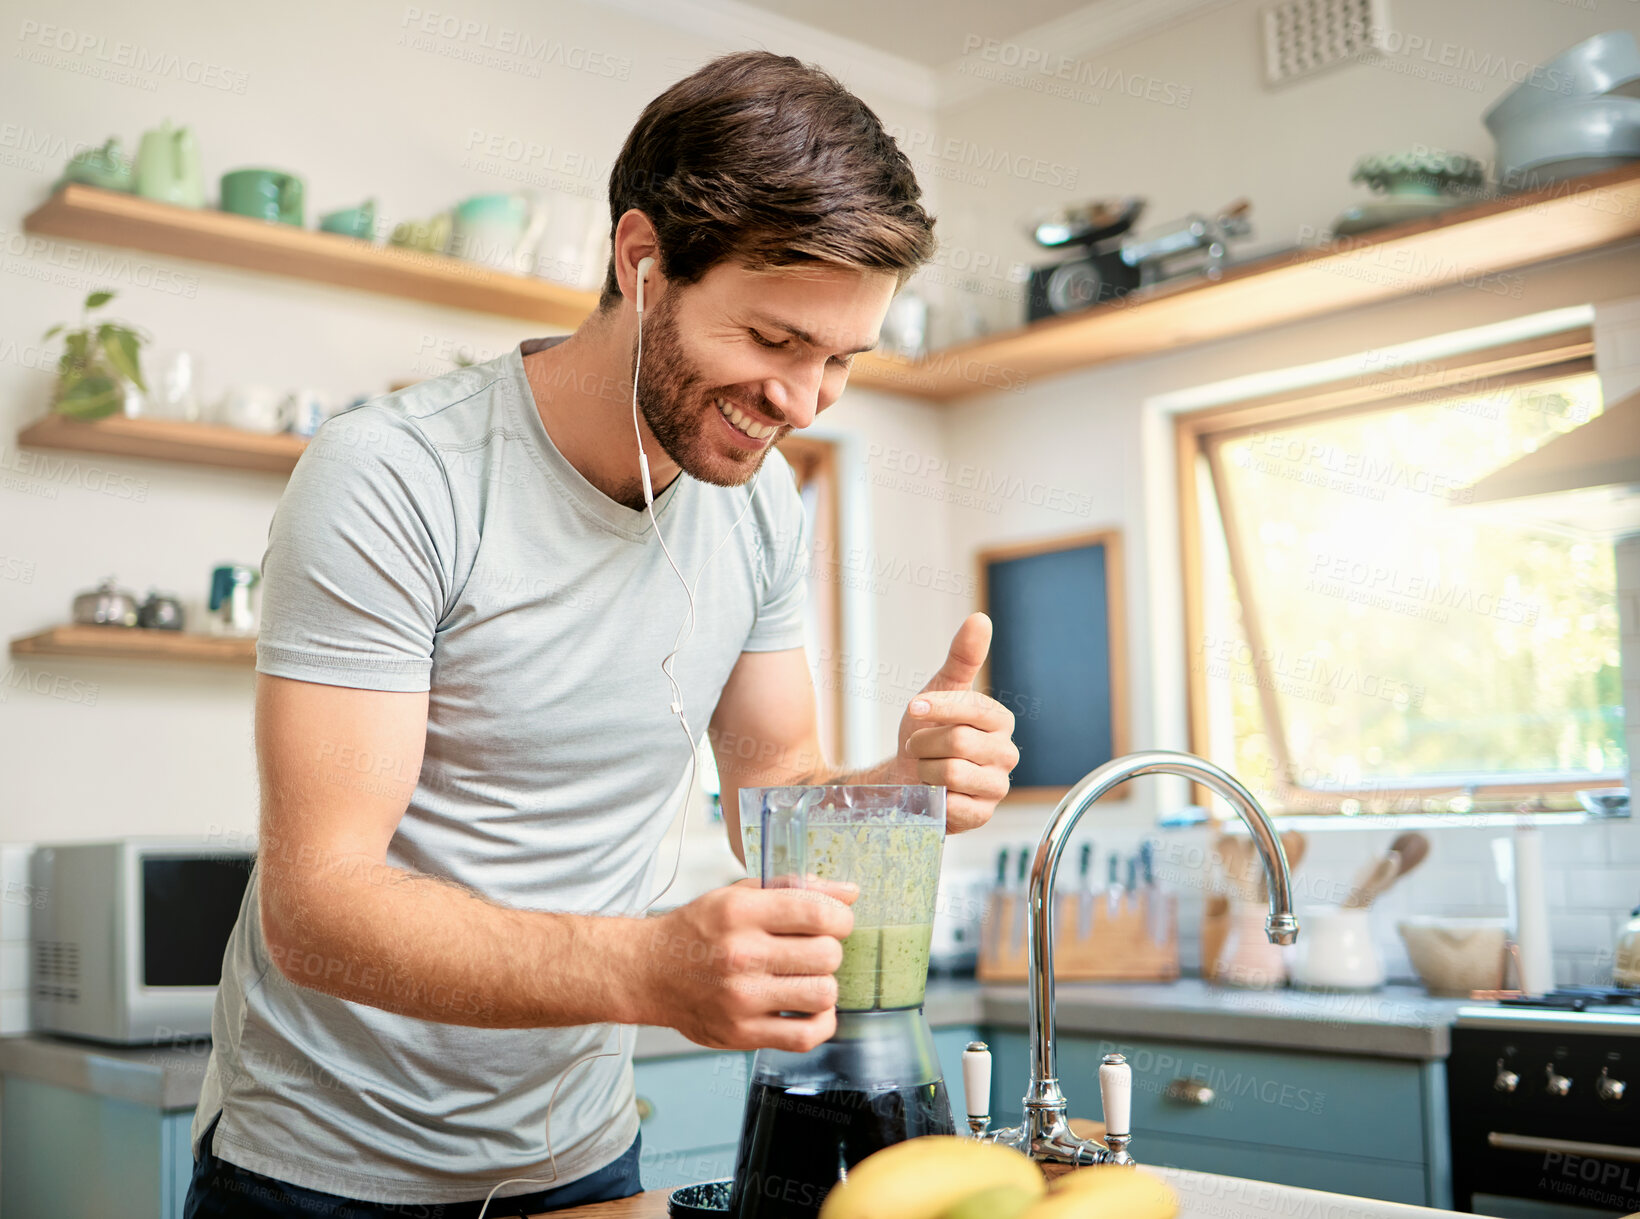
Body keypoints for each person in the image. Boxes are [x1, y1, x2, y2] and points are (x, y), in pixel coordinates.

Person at [185, 49, 1020, 1218]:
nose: (804, 401)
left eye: (839, 359)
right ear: (641, 261)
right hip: (323, 1170)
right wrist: (647, 969)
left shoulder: (759, 505)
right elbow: (318, 907)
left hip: (574, 1157)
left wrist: (903, 784)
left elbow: (773, 795)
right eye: (774, 341)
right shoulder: (395, 476)